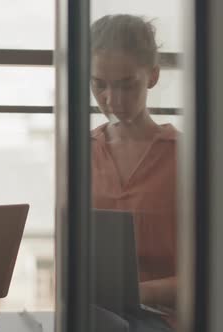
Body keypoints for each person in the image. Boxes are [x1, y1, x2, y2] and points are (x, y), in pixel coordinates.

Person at [89, 14, 177, 332]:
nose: (112, 101)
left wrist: (133, 294)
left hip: (164, 318)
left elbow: (209, 273)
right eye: (99, 85)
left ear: (152, 76)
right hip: (97, 313)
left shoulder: (183, 156)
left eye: (127, 85)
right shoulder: (82, 152)